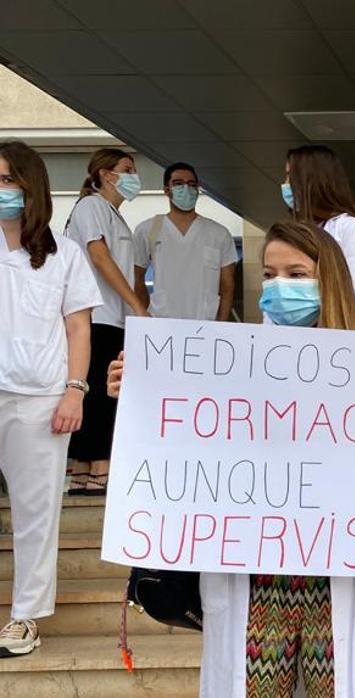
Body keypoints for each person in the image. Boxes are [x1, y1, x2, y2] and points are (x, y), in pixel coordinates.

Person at [107, 220, 355, 697]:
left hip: (338, 574)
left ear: (327, 279)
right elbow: (186, 440)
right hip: (254, 578)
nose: (279, 287)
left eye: (296, 274)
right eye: (269, 274)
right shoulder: (229, 362)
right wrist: (142, 391)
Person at [0, 142, 102, 657]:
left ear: (29, 186)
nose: (0, 191)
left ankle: (25, 617)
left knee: (36, 511)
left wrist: (75, 391)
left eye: (6, 181)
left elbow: (79, 329)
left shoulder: (64, 252)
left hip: (41, 400)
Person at [63, 147, 147, 496]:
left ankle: (84, 469)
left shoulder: (112, 214)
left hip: (112, 319)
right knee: (100, 393)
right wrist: (136, 304)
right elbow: (99, 255)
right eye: (127, 169)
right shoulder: (92, 206)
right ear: (106, 175)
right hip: (99, 317)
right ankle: (98, 467)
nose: (133, 177)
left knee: (99, 391)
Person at [283, 144, 355, 331]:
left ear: (312, 180)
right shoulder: (297, 232)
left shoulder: (350, 231)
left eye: (289, 177)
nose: (285, 184)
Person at [133, 161, 237, 322]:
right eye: (178, 184)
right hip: (162, 321)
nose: (186, 189)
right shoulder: (148, 229)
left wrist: (221, 325)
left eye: (191, 184)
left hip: (206, 322)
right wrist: (146, 318)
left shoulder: (219, 233)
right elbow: (136, 277)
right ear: (167, 190)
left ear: (197, 189)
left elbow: (227, 285)